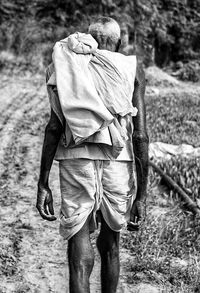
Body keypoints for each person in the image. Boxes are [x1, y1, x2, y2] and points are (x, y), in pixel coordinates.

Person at [36, 16, 148, 293]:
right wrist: (142, 196)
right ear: (119, 42)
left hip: (76, 157)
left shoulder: (68, 65)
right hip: (117, 159)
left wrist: (43, 182)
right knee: (111, 245)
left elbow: (54, 127)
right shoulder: (131, 68)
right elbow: (141, 135)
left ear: (92, 42)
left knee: (79, 241)